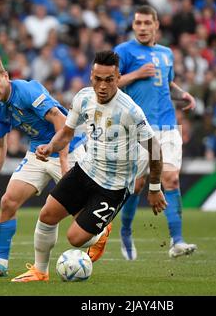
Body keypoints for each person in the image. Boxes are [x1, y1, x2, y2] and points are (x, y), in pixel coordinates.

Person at [11, 50, 167, 282]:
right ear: (91, 77)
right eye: (97, 79)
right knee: (47, 215)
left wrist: (154, 188)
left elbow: (155, 149)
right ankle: (40, 271)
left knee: (75, 238)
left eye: (109, 80)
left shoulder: (130, 111)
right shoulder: (83, 98)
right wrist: (51, 147)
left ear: (118, 78)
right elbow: (66, 132)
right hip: (86, 170)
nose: (102, 86)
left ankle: (101, 232)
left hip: (114, 186)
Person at [0, 55, 86, 277]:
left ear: (6, 76)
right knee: (8, 201)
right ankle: (0, 264)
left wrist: (63, 162)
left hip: (68, 150)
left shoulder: (26, 91)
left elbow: (60, 120)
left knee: (82, 222)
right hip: (37, 152)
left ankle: (98, 231)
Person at [114, 5, 197, 260]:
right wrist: (137, 74)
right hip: (138, 128)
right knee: (137, 185)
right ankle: (126, 232)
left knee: (170, 179)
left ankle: (177, 241)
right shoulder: (124, 51)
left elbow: (166, 82)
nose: (141, 28)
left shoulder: (166, 53)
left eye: (146, 23)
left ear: (156, 25)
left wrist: (182, 94)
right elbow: (108, 83)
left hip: (168, 126)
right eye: (137, 23)